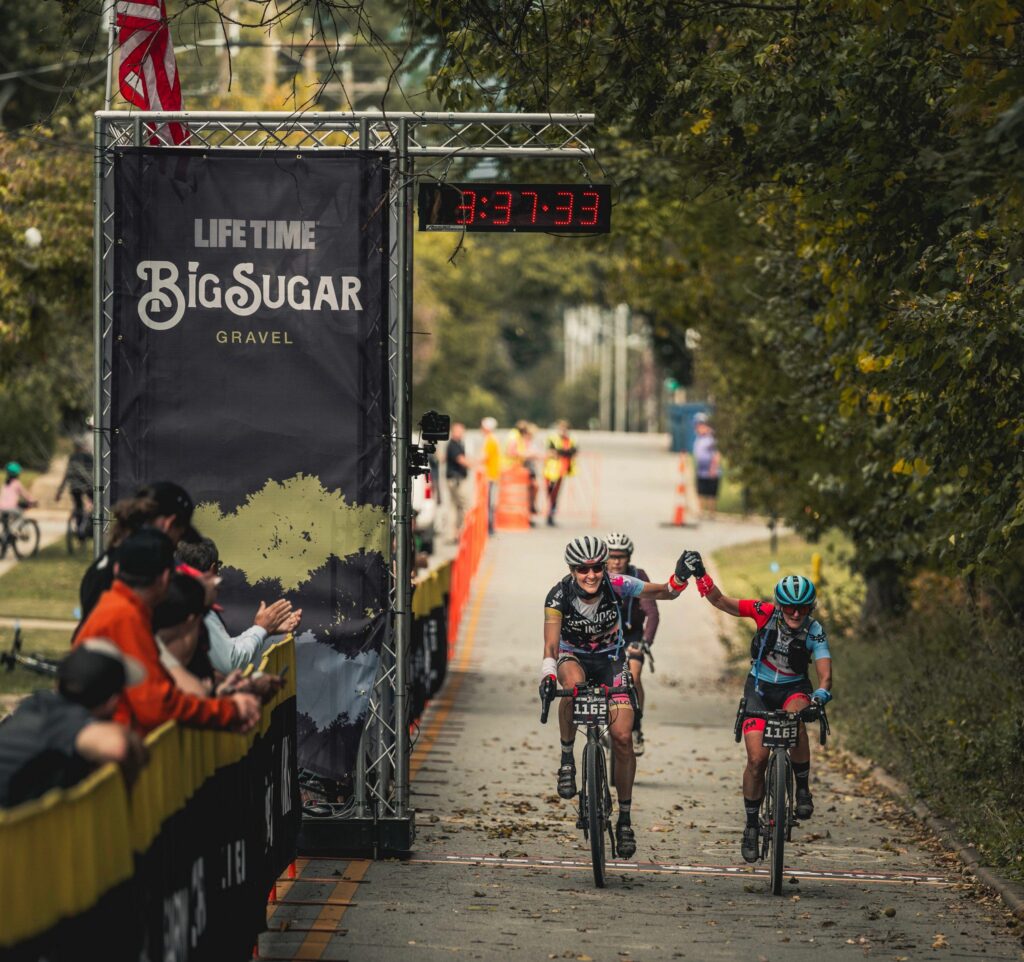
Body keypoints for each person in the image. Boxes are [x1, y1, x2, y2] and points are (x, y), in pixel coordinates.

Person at [539, 536, 693, 858]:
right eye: (583, 569)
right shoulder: (558, 595)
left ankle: (624, 818)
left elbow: (665, 592)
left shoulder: (619, 584)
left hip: (611, 660)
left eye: (597, 567)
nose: (592, 575)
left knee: (623, 737)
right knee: (573, 688)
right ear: (572, 570)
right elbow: (552, 646)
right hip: (574, 657)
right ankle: (568, 760)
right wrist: (547, 674)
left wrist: (680, 577)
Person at [681, 550, 832, 863]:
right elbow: (722, 601)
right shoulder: (764, 612)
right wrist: (701, 574)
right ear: (779, 605)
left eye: (802, 608)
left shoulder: (814, 631)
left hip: (793, 689)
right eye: (790, 607)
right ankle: (751, 825)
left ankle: (802, 788)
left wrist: (819, 698)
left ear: (810, 607)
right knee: (756, 759)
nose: (795, 613)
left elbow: (825, 674)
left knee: (797, 718)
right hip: (760, 689)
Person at [74, 527, 261, 735]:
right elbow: (158, 705)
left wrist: (220, 691)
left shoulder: (123, 612)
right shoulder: (126, 618)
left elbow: (175, 680)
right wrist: (228, 709)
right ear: (165, 578)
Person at [0, 639, 149, 807]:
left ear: (58, 683)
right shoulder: (66, 720)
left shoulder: (36, 705)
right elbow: (116, 747)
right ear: (113, 702)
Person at [76, 480, 202, 629]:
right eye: (179, 536)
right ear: (169, 524)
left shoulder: (107, 562)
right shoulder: (142, 567)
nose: (176, 546)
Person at [175, 537, 301, 675]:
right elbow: (231, 661)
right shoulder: (197, 609)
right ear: (213, 569)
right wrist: (261, 629)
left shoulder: (174, 600)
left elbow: (222, 650)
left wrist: (264, 630)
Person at [605, 532, 660, 757]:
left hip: (632, 637)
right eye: (612, 556)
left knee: (633, 676)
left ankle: (636, 727)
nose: (617, 561)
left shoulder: (638, 576)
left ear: (629, 557)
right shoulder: (597, 576)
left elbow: (652, 612)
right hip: (605, 637)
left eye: (622, 556)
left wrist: (645, 642)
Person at [56, 438, 94, 540]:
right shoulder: (89, 456)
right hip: (88, 485)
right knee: (96, 502)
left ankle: (79, 530)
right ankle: (90, 527)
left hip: (74, 487)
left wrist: (60, 491)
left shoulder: (72, 458)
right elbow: (94, 472)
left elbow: (67, 474)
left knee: (78, 507)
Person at [543, 420, 577, 527]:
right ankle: (550, 512)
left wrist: (561, 452)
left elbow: (573, 451)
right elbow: (552, 451)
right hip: (551, 470)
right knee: (550, 492)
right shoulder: (553, 438)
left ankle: (551, 515)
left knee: (556, 494)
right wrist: (562, 452)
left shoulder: (570, 440)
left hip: (562, 470)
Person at [505, 420, 540, 519]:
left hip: (520, 467)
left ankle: (529, 511)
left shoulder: (517, 436)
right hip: (515, 467)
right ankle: (526, 513)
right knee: (524, 492)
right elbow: (512, 452)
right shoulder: (515, 437)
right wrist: (527, 454)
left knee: (531, 489)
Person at [692, 414, 721, 520]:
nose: (698, 428)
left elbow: (716, 454)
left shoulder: (711, 438)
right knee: (701, 491)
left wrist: (713, 468)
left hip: (711, 470)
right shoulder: (699, 438)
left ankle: (711, 514)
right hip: (701, 470)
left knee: (711, 493)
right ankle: (700, 513)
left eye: (701, 425)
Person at [444, 421, 470, 541]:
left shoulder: (458, 444)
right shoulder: (453, 445)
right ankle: (463, 531)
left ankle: (456, 533)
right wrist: (476, 464)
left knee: (455, 507)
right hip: (456, 480)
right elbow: (461, 460)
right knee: (464, 505)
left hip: (455, 479)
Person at [0, 462, 37, 542]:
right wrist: (32, 501)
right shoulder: (17, 484)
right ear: (17, 474)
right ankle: (13, 531)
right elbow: (26, 495)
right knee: (20, 515)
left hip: (1, 508)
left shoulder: (5, 484)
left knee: (5, 523)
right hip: (11, 508)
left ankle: (5, 537)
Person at [480, 417, 502, 535]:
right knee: (489, 503)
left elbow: (484, 457)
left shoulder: (489, 440)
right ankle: (490, 527)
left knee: (488, 503)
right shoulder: (493, 439)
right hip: (493, 475)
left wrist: (473, 463)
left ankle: (489, 527)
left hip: (490, 476)